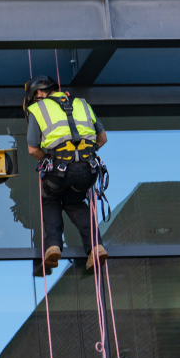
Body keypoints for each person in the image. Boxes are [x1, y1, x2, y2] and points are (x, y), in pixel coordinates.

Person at [24, 75, 109, 272]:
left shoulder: (37, 109)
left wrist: (50, 160)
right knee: (76, 203)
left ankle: (53, 246)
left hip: (59, 170)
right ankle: (96, 247)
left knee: (50, 200)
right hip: (89, 170)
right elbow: (102, 138)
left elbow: (32, 150)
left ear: (38, 93)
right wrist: (84, 155)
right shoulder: (82, 104)